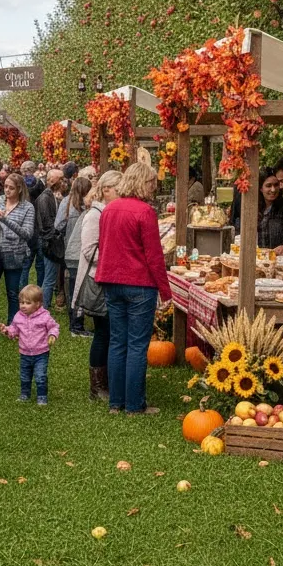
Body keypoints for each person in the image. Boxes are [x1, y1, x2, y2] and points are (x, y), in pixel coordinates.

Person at [95, 162, 172, 415]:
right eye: (151, 182)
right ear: (142, 183)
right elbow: (154, 256)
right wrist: (166, 291)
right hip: (139, 283)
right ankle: (134, 404)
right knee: (137, 345)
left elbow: (104, 246)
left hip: (112, 281)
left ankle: (115, 402)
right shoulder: (145, 212)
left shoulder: (109, 209)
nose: (154, 186)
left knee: (118, 342)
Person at [72, 170, 121, 402]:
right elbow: (89, 249)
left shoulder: (108, 211)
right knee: (103, 332)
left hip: (110, 277)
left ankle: (106, 380)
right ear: (105, 190)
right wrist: (118, 257)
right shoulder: (94, 215)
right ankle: (98, 386)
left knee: (108, 331)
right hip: (98, 279)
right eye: (118, 190)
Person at [0, 173, 36, 340]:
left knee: (13, 293)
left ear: (19, 189)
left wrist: (5, 220)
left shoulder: (27, 207)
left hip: (15, 254)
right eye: (5, 187)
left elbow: (27, 234)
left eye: (11, 188)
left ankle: (12, 328)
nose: (7, 191)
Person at [0, 284, 60, 405]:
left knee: (40, 375)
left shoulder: (44, 316)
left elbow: (54, 327)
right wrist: (6, 330)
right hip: (24, 353)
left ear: (37, 304)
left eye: (27, 303)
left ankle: (42, 396)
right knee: (24, 376)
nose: (23, 306)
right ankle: (25, 394)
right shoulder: (18, 317)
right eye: (21, 302)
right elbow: (14, 330)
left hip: (41, 353)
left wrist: (52, 335)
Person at [57, 176, 92, 336]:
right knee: (79, 290)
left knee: (73, 288)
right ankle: (76, 326)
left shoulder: (66, 202)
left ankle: (73, 321)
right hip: (81, 253)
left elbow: (58, 225)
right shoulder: (86, 209)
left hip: (69, 252)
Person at [34, 168, 66, 308]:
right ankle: (43, 308)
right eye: (61, 179)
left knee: (49, 277)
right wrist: (55, 238)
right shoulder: (44, 198)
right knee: (49, 279)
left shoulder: (52, 196)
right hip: (48, 243)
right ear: (52, 180)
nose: (64, 182)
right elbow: (46, 224)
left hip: (49, 241)